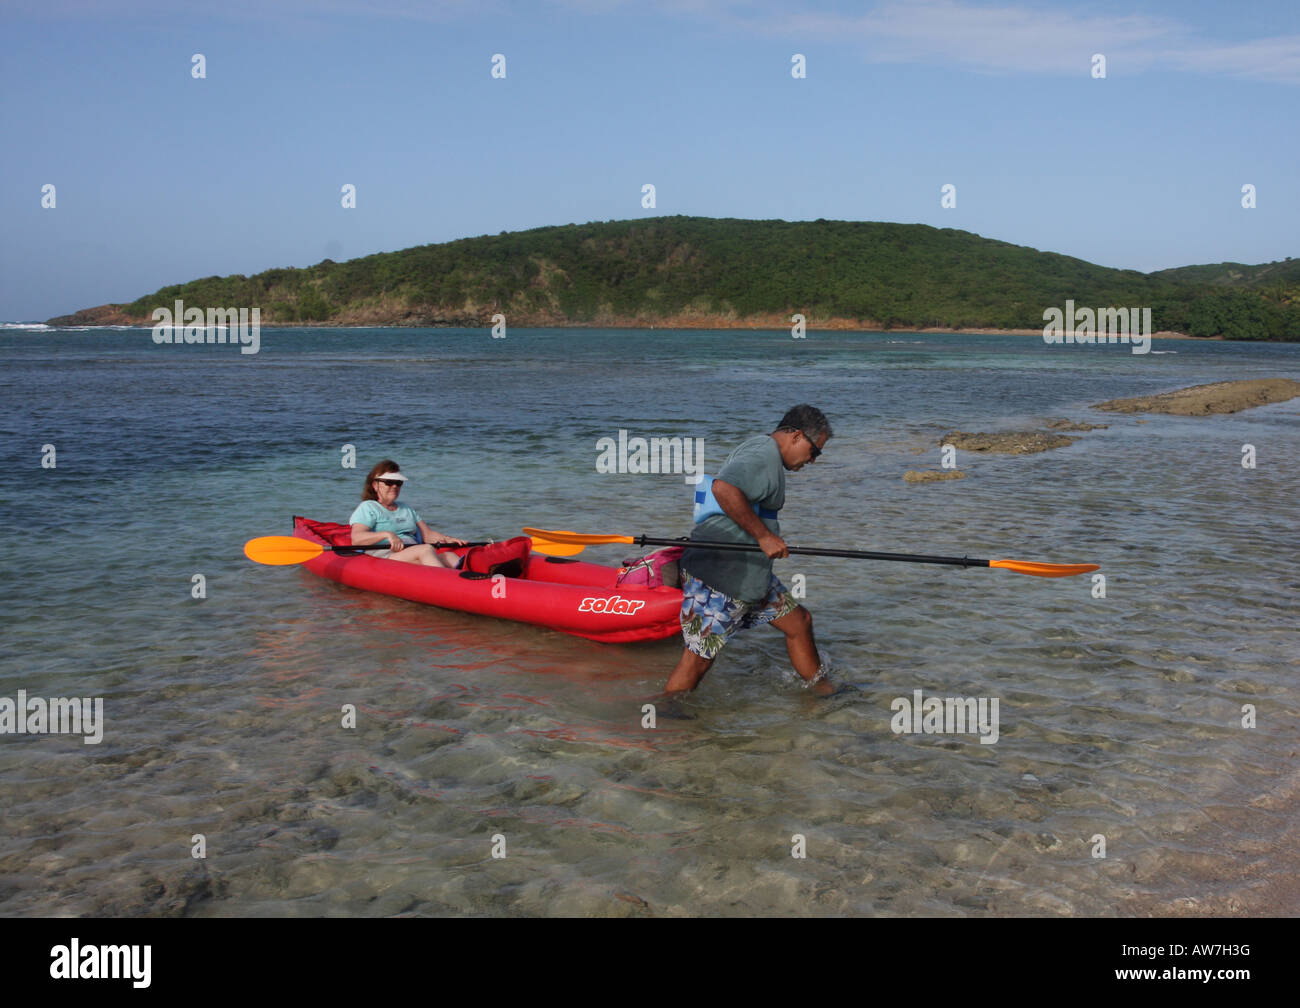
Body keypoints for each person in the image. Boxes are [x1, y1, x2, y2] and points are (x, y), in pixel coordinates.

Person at [666, 405, 834, 696]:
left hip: (748, 572)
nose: (813, 460)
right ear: (795, 436)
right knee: (698, 659)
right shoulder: (762, 454)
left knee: (799, 622)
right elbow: (724, 489)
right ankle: (664, 714)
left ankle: (824, 693)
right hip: (722, 572)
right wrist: (765, 537)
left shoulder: (763, 452)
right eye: (814, 451)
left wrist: (762, 539)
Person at [349, 460, 467, 568]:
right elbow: (357, 538)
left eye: (398, 483)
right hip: (385, 555)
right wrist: (387, 535)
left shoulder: (406, 508)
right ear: (375, 485)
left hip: (411, 552)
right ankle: (445, 584)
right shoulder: (368, 507)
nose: (394, 486)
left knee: (449, 556)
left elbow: (428, 535)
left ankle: (470, 585)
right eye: (389, 482)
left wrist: (448, 539)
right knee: (425, 550)